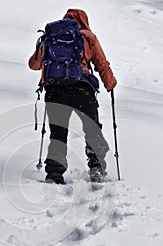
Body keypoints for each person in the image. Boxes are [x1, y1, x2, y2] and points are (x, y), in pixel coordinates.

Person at [28, 9, 117, 184]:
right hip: (83, 90)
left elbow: (34, 65)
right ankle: (96, 168)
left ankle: (54, 174)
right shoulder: (88, 37)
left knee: (58, 133)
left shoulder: (51, 37)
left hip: (55, 92)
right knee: (92, 129)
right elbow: (102, 64)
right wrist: (110, 83)